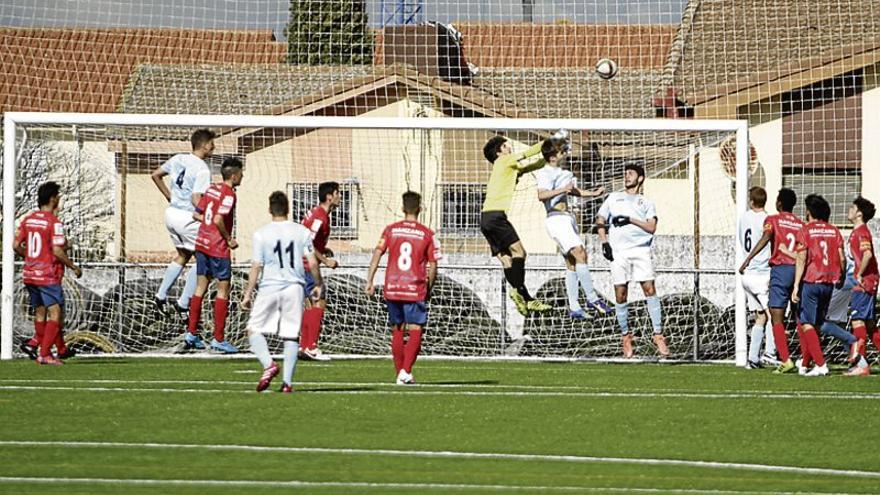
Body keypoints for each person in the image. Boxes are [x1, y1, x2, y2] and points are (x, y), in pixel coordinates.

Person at [241, 191, 322, 393]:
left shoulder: (261, 233)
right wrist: (318, 284)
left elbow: (256, 266)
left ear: (270, 209)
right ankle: (287, 383)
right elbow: (312, 262)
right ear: (288, 209)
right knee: (291, 336)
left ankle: (269, 364)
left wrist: (248, 293)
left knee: (253, 329)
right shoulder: (301, 231)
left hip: (270, 286)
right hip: (295, 287)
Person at [480, 132, 561, 317]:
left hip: (485, 219)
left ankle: (526, 298)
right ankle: (519, 293)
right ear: (499, 152)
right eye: (506, 146)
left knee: (507, 260)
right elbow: (529, 153)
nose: (510, 148)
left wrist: (547, 159)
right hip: (496, 217)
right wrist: (551, 140)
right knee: (520, 253)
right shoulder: (504, 161)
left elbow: (531, 165)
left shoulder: (506, 168)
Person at [364, 191, 441, 384]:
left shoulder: (390, 230)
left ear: (402, 208)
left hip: (393, 286)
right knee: (415, 328)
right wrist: (429, 288)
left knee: (397, 329)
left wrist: (370, 280)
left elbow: (377, 253)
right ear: (421, 208)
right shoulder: (427, 234)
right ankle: (405, 371)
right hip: (414, 287)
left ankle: (402, 373)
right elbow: (433, 265)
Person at [596, 164, 669, 358]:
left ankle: (658, 334)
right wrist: (605, 242)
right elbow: (600, 219)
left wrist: (630, 220)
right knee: (620, 294)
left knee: (650, 289)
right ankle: (626, 336)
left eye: (631, 173)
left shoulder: (645, 203)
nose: (627, 176)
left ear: (640, 178)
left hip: (640, 250)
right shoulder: (613, 198)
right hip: (618, 252)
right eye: (625, 173)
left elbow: (651, 227)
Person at [535, 139, 609, 319]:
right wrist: (562, 189)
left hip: (567, 218)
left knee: (572, 262)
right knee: (581, 253)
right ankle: (592, 298)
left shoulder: (563, 172)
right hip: (556, 218)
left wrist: (592, 193)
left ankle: (575, 307)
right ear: (553, 156)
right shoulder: (545, 173)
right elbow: (541, 195)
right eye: (562, 152)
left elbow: (571, 191)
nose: (565, 154)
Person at [14, 182, 82, 365]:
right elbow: (58, 251)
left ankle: (45, 346)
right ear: (53, 199)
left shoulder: (28, 219)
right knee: (56, 314)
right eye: (58, 196)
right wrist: (74, 267)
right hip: (46, 274)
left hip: (29, 273)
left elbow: (15, 245)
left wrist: (30, 258)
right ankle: (44, 353)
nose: (59, 199)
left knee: (40, 313)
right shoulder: (54, 222)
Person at [150, 129, 215, 318]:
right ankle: (183, 303)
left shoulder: (178, 158)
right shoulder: (202, 168)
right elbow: (196, 199)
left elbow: (155, 175)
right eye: (212, 143)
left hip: (171, 214)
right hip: (188, 217)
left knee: (183, 254)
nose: (214, 147)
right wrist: (208, 214)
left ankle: (160, 296)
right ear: (204, 145)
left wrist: (169, 196)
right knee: (206, 259)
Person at [739, 188, 804, 374]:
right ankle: (773, 354)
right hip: (788, 270)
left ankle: (761, 355)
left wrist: (747, 259)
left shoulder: (760, 219)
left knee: (769, 315)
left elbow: (765, 238)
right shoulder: (800, 224)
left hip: (756, 274)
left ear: (779, 204)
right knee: (790, 315)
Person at [185, 157, 243, 353]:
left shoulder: (211, 189)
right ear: (234, 175)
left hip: (201, 243)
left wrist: (208, 223)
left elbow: (197, 214)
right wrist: (228, 239)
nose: (242, 176)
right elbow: (218, 218)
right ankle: (218, 338)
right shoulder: (228, 194)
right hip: (217, 247)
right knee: (223, 290)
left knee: (200, 287)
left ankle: (191, 333)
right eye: (241, 173)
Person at [791, 194, 846, 377]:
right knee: (815, 325)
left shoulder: (805, 231)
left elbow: (801, 258)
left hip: (812, 281)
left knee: (806, 323)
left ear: (809, 212)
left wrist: (796, 285)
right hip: (829, 282)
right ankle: (805, 363)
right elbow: (842, 258)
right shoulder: (834, 231)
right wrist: (842, 275)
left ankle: (821, 364)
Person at [299, 181, 342, 361]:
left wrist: (323, 250)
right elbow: (306, 241)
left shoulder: (319, 214)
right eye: (338, 193)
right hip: (306, 264)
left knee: (310, 304)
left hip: (301, 262)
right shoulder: (320, 217)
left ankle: (304, 346)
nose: (341, 197)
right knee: (320, 301)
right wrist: (326, 260)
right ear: (329, 196)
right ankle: (312, 346)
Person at [736, 187, 777, 368]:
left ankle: (752, 358)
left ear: (751, 201)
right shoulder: (768, 220)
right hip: (762, 274)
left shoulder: (744, 217)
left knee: (760, 316)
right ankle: (770, 352)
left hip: (748, 276)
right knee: (773, 314)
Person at [844, 196, 878, 376]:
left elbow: (867, 254)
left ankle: (861, 364)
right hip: (868, 281)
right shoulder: (857, 232)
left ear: (859, 213)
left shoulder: (862, 232)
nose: (849, 210)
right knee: (870, 325)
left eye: (852, 207)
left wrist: (859, 273)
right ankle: (860, 362)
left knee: (858, 321)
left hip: (864, 283)